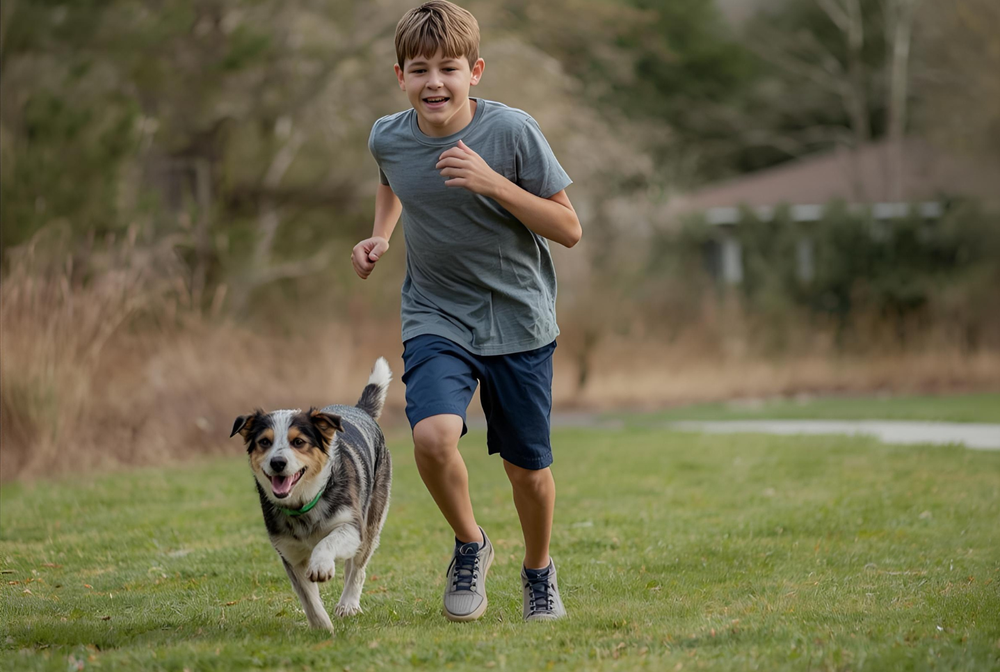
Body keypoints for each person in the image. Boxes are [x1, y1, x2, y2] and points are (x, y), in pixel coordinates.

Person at [352, 0, 581, 622]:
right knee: (430, 435)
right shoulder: (388, 135)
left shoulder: (511, 132)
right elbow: (391, 178)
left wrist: (493, 183)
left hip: (518, 320)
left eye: (448, 68)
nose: (435, 82)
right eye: (419, 69)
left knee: (527, 472)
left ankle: (538, 571)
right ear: (400, 75)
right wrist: (382, 236)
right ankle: (471, 543)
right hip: (436, 313)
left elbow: (569, 227)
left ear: (474, 70)